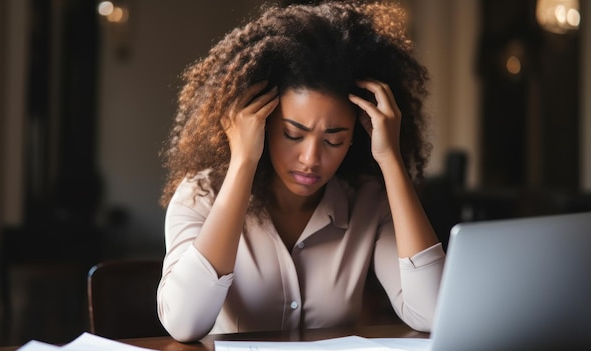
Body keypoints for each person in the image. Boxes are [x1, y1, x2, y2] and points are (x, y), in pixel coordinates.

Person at [157, 0, 445, 342]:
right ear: (261, 123)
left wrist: (391, 159)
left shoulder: (370, 202)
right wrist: (243, 162)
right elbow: (184, 324)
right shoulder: (201, 195)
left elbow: (431, 313)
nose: (311, 158)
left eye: (334, 140)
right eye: (293, 134)